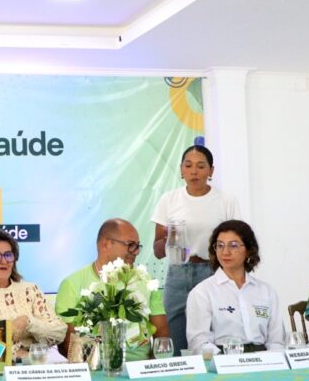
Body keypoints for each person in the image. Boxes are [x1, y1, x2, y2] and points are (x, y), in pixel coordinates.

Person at [151, 145, 241, 356]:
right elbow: (157, 251)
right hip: (177, 273)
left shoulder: (226, 200)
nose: (194, 172)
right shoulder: (169, 200)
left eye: (201, 166)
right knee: (174, 337)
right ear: (181, 169)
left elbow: (237, 243)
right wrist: (170, 238)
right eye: (188, 166)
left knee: (215, 335)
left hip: (212, 272)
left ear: (211, 170)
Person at [56, 218, 170, 361]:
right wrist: (99, 367)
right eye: (131, 245)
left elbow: (162, 336)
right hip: (94, 368)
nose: (136, 252)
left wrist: (150, 368)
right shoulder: (72, 284)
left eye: (137, 246)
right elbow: (66, 345)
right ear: (107, 244)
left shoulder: (145, 280)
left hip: (138, 367)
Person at [0, 229, 67, 360]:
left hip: (36, 367)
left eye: (8, 255)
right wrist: (18, 353)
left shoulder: (30, 290)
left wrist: (27, 322)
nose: (4, 261)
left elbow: (59, 332)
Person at [186, 220, 287, 354]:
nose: (225, 252)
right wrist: (223, 361)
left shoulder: (266, 291)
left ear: (249, 250)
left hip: (264, 359)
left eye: (233, 245)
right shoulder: (202, 292)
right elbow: (198, 342)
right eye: (220, 245)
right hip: (222, 358)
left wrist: (272, 360)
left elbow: (277, 340)